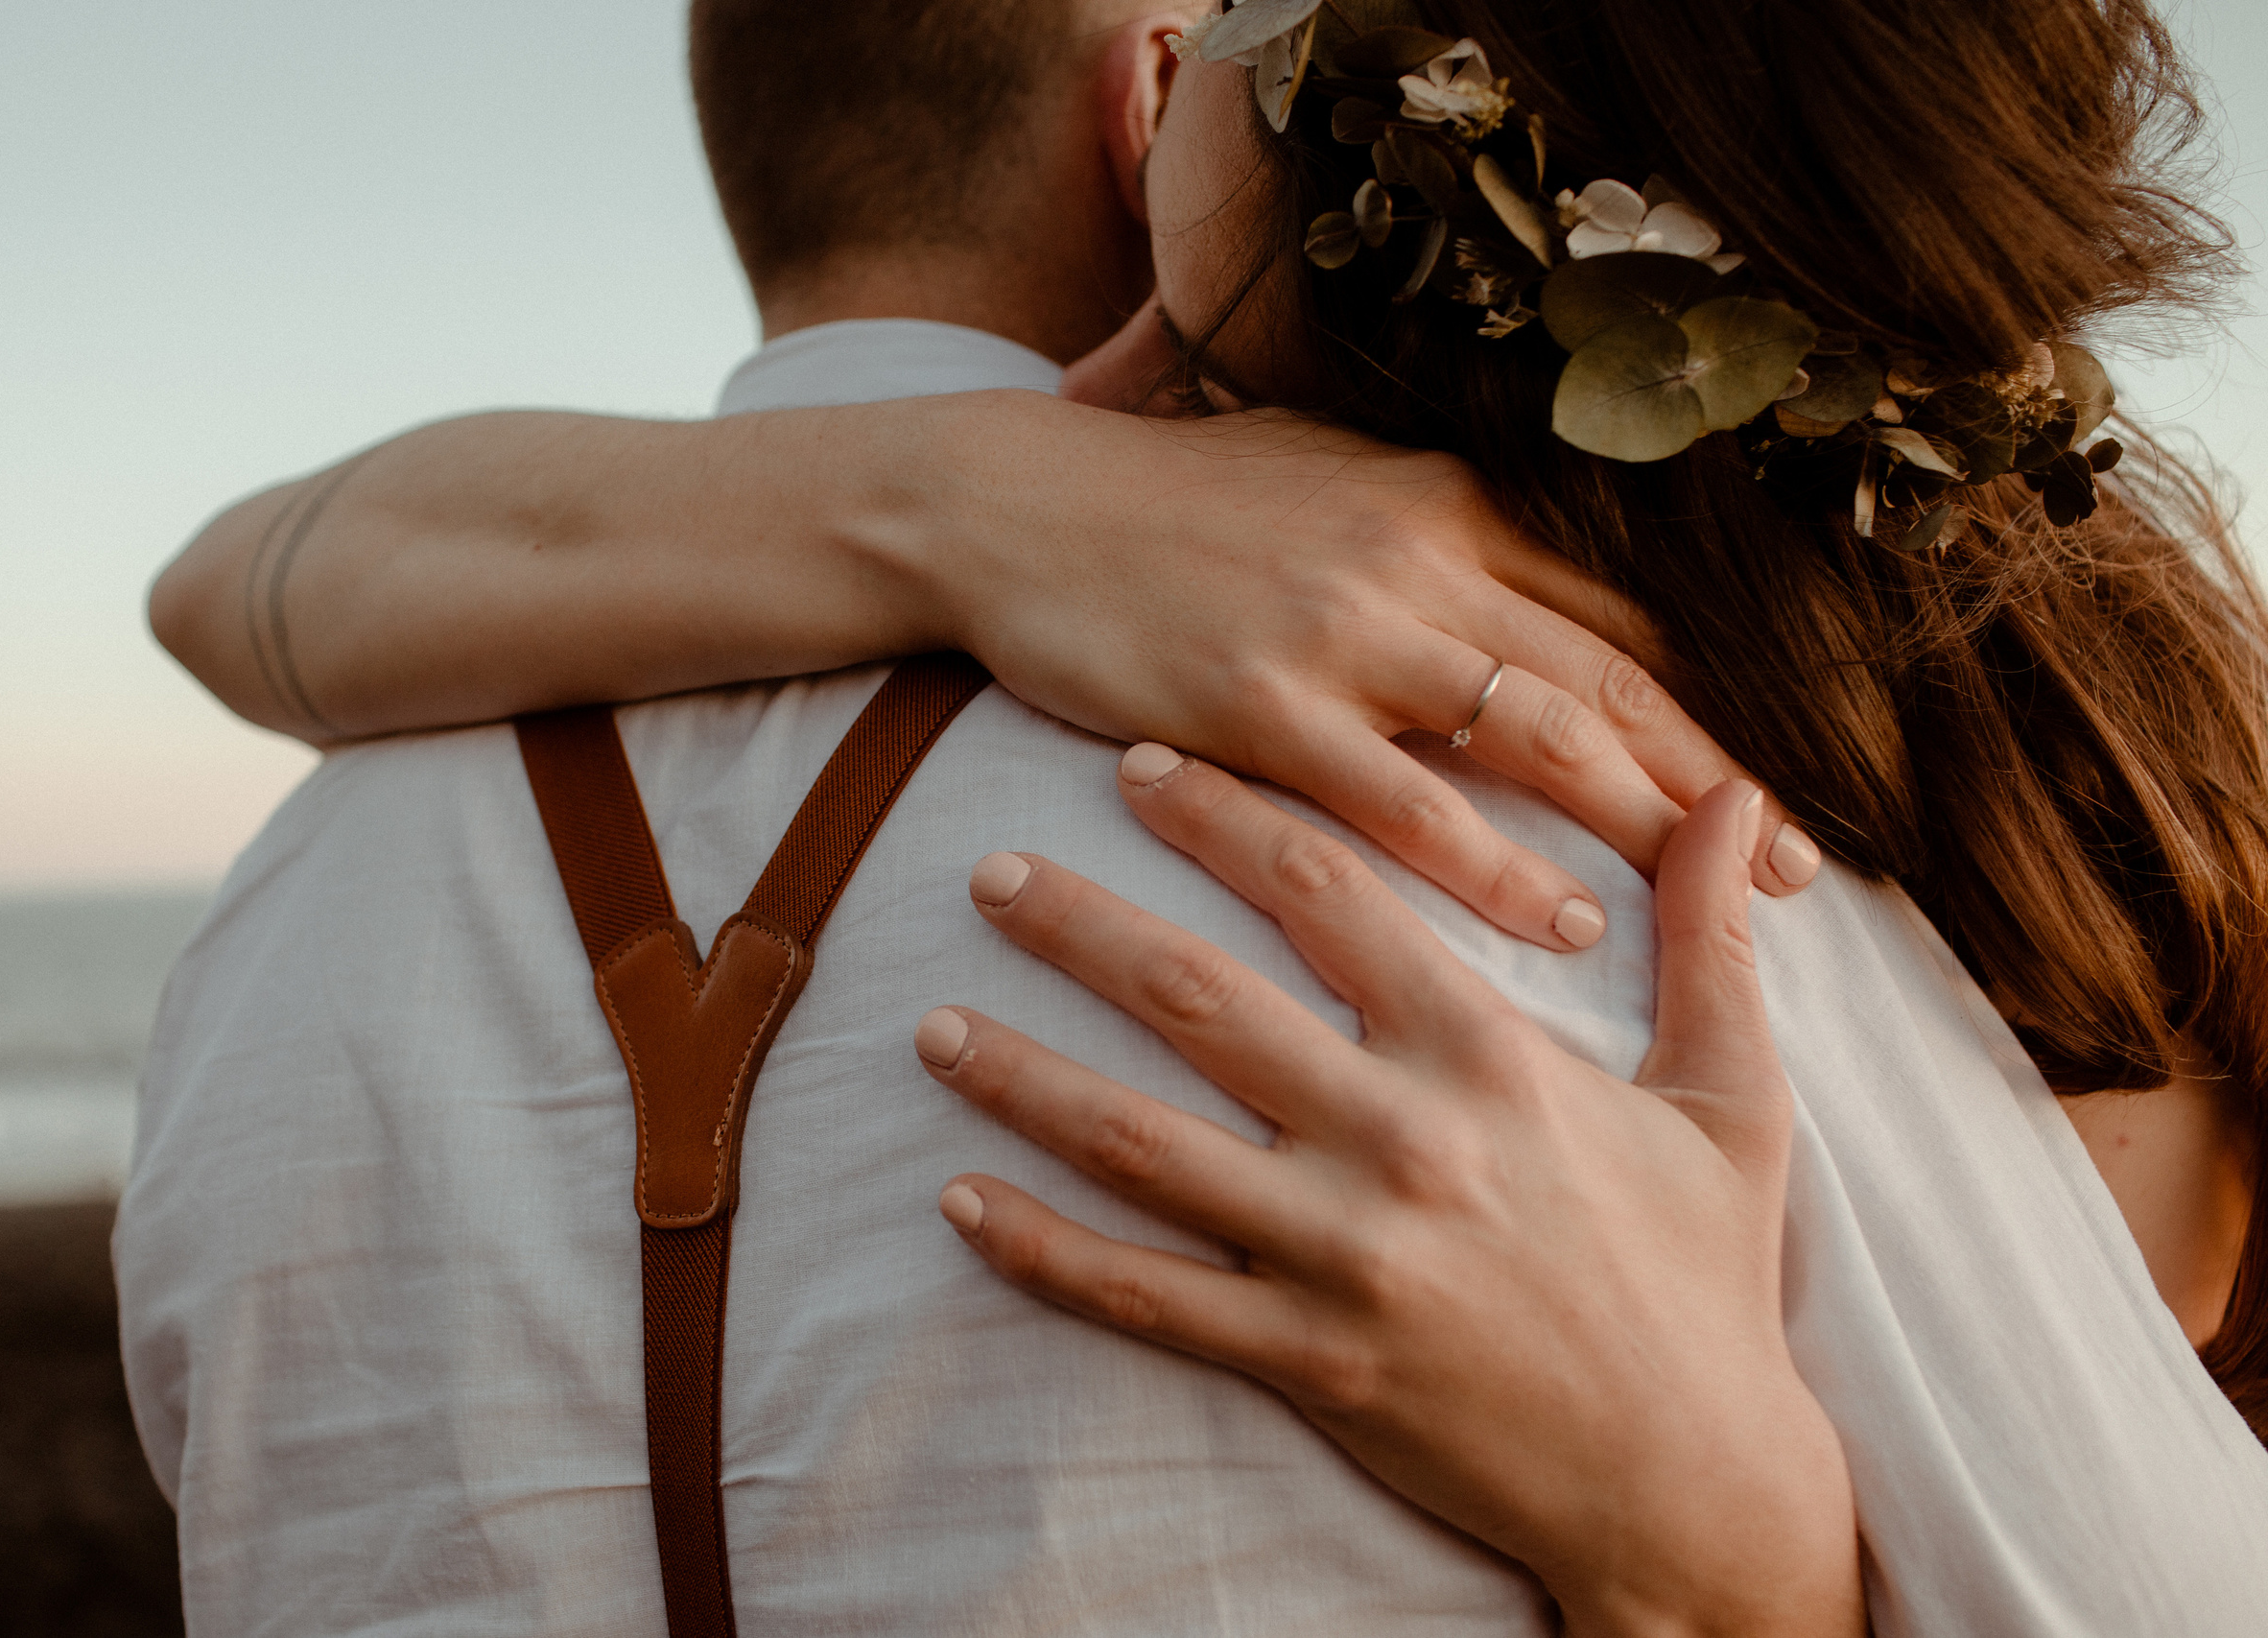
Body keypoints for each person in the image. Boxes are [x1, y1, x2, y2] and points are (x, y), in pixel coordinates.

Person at [126, 1, 2268, 1633]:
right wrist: (1741, 1569)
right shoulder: (1588, 812)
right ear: (1150, 90)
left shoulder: (275, 909)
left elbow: (232, 585)